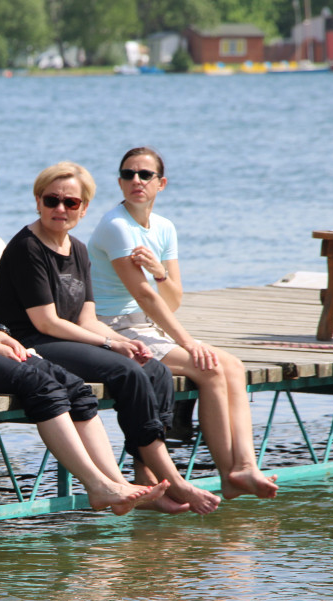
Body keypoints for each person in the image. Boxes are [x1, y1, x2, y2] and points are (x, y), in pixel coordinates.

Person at [0, 145, 170, 515]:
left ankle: (114, 482)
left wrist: (0, 333)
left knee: (75, 387)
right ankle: (97, 485)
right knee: (40, 385)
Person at [0, 161, 220, 514]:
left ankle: (144, 476)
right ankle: (174, 480)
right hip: (30, 341)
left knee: (153, 369)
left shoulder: (78, 249)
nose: (60, 209)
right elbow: (46, 322)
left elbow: (85, 316)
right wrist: (111, 344)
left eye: (72, 203)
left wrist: (123, 341)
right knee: (125, 371)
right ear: (37, 202)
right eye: (52, 200)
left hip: (67, 339)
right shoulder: (28, 248)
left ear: (84, 209)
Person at [88, 147, 279, 500]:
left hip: (148, 324)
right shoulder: (117, 226)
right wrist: (189, 342)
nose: (136, 181)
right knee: (209, 369)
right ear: (119, 182)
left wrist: (159, 271)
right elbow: (145, 298)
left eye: (145, 175)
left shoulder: (163, 228)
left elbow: (171, 300)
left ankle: (246, 466)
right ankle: (229, 472)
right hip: (114, 327)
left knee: (233, 366)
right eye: (128, 174)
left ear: (161, 184)